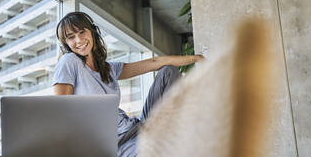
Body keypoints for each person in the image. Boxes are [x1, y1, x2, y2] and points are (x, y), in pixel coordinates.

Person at [52, 12, 204, 157]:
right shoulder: (69, 61)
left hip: (136, 128)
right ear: (65, 44)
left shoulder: (108, 68)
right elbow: (60, 111)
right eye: (71, 37)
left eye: (82, 32)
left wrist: (197, 59)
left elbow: (156, 62)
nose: (78, 40)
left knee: (168, 72)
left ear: (92, 32)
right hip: (116, 144)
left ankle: (175, 128)